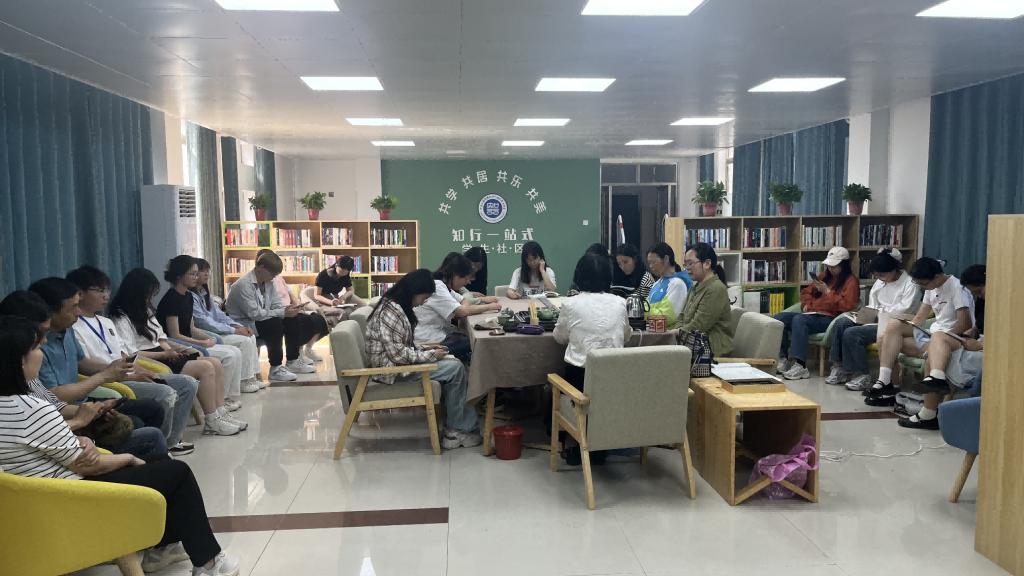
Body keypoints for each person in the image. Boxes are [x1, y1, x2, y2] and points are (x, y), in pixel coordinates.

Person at [0, 315, 241, 576]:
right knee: (177, 472)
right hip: (69, 496)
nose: (42, 352)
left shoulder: (14, 406)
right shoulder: (31, 408)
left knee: (160, 462)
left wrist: (78, 436)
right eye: (36, 348)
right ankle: (209, 562)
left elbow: (39, 443)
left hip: (34, 497)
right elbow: (88, 466)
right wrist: (127, 458)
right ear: (19, 360)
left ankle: (161, 546)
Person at [0, 293, 168, 462]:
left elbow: (55, 406)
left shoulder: (29, 378)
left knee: (147, 412)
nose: (43, 343)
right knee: (149, 435)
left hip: (67, 436)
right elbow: (45, 432)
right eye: (37, 343)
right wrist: (80, 422)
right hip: (65, 453)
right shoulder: (17, 396)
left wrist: (95, 411)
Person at [66, 265, 201, 457]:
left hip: (125, 373)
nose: (105, 295)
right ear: (80, 293)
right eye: (99, 290)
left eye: (107, 290)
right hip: (109, 380)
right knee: (165, 393)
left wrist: (140, 370)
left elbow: (123, 355)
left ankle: (171, 441)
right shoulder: (74, 327)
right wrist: (127, 375)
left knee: (187, 383)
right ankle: (159, 446)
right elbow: (86, 367)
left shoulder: (105, 322)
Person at [22, 278, 173, 435]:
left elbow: (81, 362)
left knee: (152, 409)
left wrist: (116, 369)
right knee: (137, 424)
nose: (79, 312)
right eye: (73, 307)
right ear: (50, 312)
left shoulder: (67, 329)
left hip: (81, 403)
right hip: (64, 413)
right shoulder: (35, 349)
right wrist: (104, 377)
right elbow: (54, 396)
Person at [109, 268, 245, 436]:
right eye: (147, 294)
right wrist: (165, 354)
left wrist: (175, 350)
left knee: (215, 363)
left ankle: (220, 412)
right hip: (149, 359)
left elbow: (161, 339)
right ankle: (212, 420)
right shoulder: (120, 317)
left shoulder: (145, 310)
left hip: (162, 353)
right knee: (205, 368)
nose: (149, 299)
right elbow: (132, 354)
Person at [365, 269, 480, 449]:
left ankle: (457, 424)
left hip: (395, 365)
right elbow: (398, 355)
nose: (423, 302)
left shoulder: (394, 305)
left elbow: (402, 347)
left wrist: (428, 349)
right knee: (456, 368)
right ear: (414, 291)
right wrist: (431, 355)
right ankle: (457, 430)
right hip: (392, 372)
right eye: (424, 297)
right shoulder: (391, 311)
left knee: (454, 363)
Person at [865, 257, 975, 411]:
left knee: (889, 341)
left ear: (937, 277)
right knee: (892, 328)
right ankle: (885, 381)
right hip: (932, 334)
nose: (923, 288)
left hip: (951, 339)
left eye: (924, 284)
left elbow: (965, 323)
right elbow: (920, 317)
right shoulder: (931, 287)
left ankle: (891, 386)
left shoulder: (957, 288)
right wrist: (906, 330)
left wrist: (940, 339)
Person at [552, 253, 631, 465]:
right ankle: (600, 445)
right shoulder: (620, 303)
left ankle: (573, 443)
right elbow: (626, 336)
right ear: (608, 276)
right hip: (614, 382)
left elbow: (559, 337)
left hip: (580, 384)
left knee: (555, 382)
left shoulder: (570, 304)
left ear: (579, 276)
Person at [896, 264, 985, 430]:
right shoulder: (983, 302)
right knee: (931, 339)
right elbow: (976, 328)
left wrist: (980, 343)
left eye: (979, 291)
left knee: (937, 343)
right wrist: (972, 333)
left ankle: (929, 411)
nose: (977, 296)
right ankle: (934, 380)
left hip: (980, 347)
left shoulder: (958, 289)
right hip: (970, 341)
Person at [225, 251, 329, 382]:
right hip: (245, 324)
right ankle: (275, 368)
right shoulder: (243, 285)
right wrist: (281, 312)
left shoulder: (269, 282)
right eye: (272, 274)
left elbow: (276, 304)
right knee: (274, 324)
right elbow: (255, 314)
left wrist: (287, 310)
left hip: (262, 319)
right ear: (261, 267)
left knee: (292, 318)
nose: (274, 277)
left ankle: (293, 360)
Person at [824, 249, 919, 390]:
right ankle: (839, 367)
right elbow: (873, 303)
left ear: (894, 269)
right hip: (875, 318)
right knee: (842, 323)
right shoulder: (880, 282)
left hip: (894, 323)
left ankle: (862, 374)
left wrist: (879, 313)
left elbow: (905, 309)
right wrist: (865, 314)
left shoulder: (910, 284)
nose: (880, 278)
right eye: (877, 275)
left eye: (882, 275)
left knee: (852, 333)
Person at [157, 256, 245, 408]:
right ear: (179, 276)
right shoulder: (172, 299)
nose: (196, 277)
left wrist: (208, 338)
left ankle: (225, 397)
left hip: (189, 341)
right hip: (177, 345)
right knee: (229, 356)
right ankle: (219, 401)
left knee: (235, 351)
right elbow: (174, 334)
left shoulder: (188, 296)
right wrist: (201, 343)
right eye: (192, 274)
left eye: (196, 273)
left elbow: (191, 328)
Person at [775, 247, 860, 381]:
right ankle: (782, 358)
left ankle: (801, 365)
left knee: (800, 320)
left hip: (830, 318)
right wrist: (806, 304)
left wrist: (828, 293)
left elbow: (847, 306)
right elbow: (806, 292)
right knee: (779, 318)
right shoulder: (824, 276)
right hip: (812, 314)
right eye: (829, 266)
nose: (831, 269)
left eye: (834, 266)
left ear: (844, 265)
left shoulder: (851, 282)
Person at [190, 258, 265, 393]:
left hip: (218, 329)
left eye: (208, 271)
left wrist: (237, 326)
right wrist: (233, 330)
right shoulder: (191, 296)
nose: (206, 274)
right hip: (208, 333)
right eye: (202, 271)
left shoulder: (204, 293)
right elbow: (203, 322)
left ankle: (251, 377)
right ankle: (243, 381)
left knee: (250, 336)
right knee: (244, 341)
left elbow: (219, 315)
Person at [415, 253, 501, 361]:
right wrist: (489, 307)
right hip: (427, 339)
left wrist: (462, 310)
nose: (467, 282)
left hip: (438, 334)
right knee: (472, 342)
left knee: (468, 338)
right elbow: (462, 311)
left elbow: (464, 301)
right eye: (466, 279)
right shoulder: (437, 287)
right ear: (455, 275)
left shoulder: (444, 285)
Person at [257, 248, 325, 364]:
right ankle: (294, 357)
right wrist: (284, 311)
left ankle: (304, 351)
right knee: (299, 321)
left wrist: (298, 305)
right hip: (277, 313)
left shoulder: (278, 277)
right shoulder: (263, 281)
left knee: (319, 320)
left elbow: (290, 293)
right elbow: (267, 304)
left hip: (288, 309)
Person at [679, 243, 734, 357]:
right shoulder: (694, 288)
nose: (687, 268)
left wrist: (673, 334)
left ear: (707, 264)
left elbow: (699, 326)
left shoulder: (716, 288)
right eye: (686, 264)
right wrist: (671, 332)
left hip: (711, 351)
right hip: (692, 344)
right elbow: (682, 317)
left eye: (690, 263)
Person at [645, 242, 693, 326]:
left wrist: (643, 312)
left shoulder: (678, 284)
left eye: (654, 262)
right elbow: (646, 307)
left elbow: (667, 316)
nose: (651, 266)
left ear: (666, 259)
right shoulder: (656, 284)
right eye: (649, 263)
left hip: (670, 332)